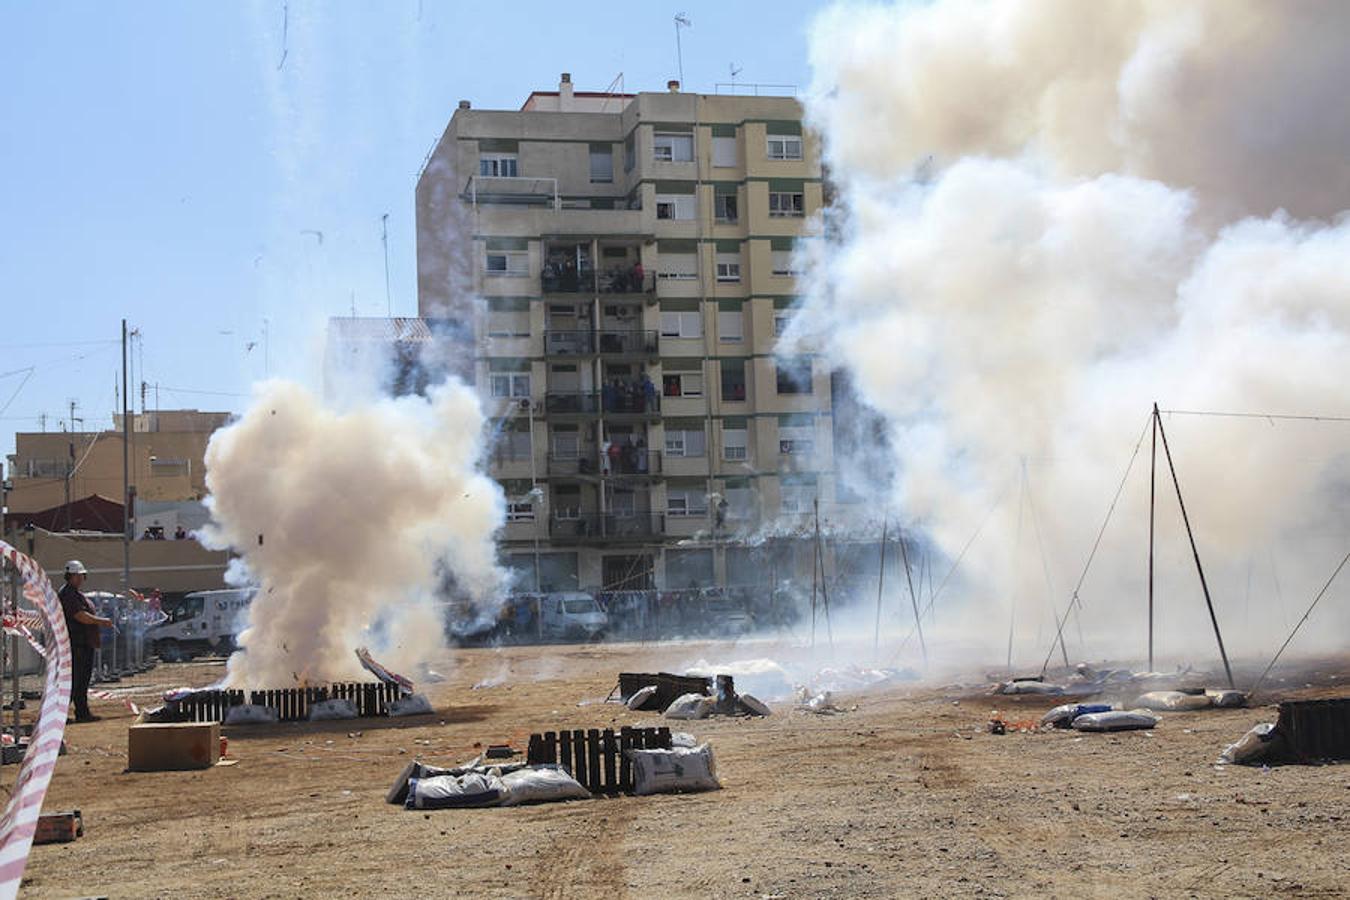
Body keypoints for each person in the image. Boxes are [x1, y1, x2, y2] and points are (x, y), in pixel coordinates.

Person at [58, 560, 112, 723]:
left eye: (82, 576)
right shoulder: (68, 594)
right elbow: (80, 616)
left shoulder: (75, 593)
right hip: (75, 644)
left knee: (81, 682)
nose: (81, 579)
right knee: (73, 681)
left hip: (83, 643)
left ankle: (82, 713)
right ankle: (60, 716)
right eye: (78, 576)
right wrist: (101, 621)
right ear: (71, 576)